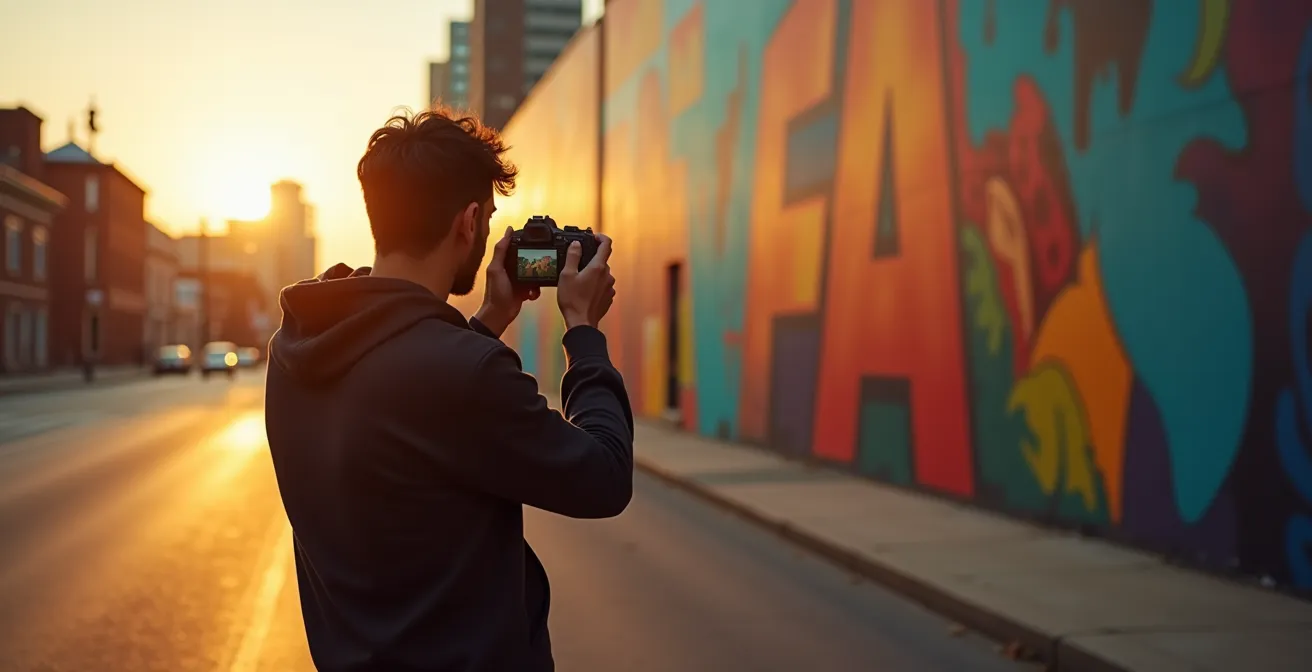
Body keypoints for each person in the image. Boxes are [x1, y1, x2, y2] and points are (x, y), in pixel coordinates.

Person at [263, 107, 634, 672]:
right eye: (488, 217)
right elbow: (604, 478)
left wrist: (487, 320)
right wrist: (583, 332)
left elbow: (410, 408)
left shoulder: (297, 348)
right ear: (469, 221)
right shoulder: (462, 372)